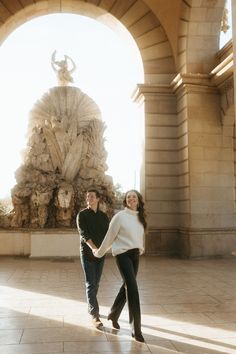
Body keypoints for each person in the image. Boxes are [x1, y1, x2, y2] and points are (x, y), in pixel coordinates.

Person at [93, 189, 147, 342]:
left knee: (127, 286)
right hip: (122, 255)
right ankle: (136, 330)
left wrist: (140, 249)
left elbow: (139, 236)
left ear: (138, 200)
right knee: (133, 289)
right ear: (125, 201)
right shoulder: (119, 217)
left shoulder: (141, 217)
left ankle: (113, 314)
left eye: (134, 196)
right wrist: (99, 252)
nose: (131, 199)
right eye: (128, 197)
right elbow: (110, 237)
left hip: (135, 255)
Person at [76, 188, 109, 329]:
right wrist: (94, 248)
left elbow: (108, 235)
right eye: (87, 196)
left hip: (100, 254)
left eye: (91, 196)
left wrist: (104, 249)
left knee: (96, 284)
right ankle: (94, 315)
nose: (89, 198)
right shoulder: (82, 215)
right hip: (88, 254)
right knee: (90, 284)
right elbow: (84, 234)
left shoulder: (103, 216)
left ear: (98, 199)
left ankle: (91, 307)